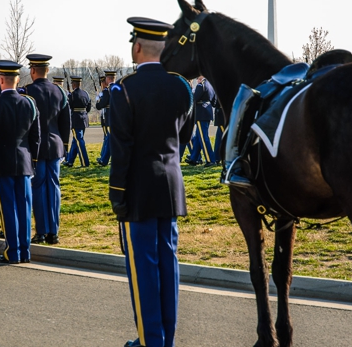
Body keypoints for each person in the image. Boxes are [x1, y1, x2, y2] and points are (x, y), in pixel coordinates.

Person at [109, 17, 194, 347]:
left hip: (138, 190)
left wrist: (117, 194)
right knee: (168, 265)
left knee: (144, 269)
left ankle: (150, 342)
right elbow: (183, 137)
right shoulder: (182, 86)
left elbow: (122, 149)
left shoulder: (124, 89)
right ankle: (164, 340)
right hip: (170, 186)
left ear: (138, 46)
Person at [0, 60, 40, 264]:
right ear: (18, 79)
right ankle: (25, 252)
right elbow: (35, 137)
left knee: (9, 208)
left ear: (0, 80)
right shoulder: (30, 103)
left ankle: (12, 251)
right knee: (25, 208)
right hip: (24, 163)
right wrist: (32, 162)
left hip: (3, 163)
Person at [23, 54, 71, 245]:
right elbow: (65, 124)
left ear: (32, 70)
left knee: (39, 188)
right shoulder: (59, 92)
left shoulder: (26, 92)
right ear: (47, 70)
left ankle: (41, 231)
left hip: (37, 147)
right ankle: (54, 232)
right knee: (54, 188)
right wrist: (64, 147)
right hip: (56, 145)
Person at [187, 76, 216, 167]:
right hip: (207, 111)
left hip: (201, 113)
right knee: (198, 137)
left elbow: (194, 98)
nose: (197, 79)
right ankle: (194, 158)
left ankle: (210, 159)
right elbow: (214, 101)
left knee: (203, 138)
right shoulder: (210, 85)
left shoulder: (201, 85)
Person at [64, 76, 91, 167]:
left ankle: (85, 162)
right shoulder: (85, 93)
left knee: (79, 140)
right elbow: (89, 108)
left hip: (76, 119)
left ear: (74, 84)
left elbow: (69, 107)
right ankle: (70, 161)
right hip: (84, 118)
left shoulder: (71, 95)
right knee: (75, 141)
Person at [96, 70, 117, 166]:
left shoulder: (107, 90)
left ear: (108, 79)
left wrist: (98, 101)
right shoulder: (119, 88)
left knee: (109, 138)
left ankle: (104, 160)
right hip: (118, 117)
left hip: (109, 117)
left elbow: (101, 104)